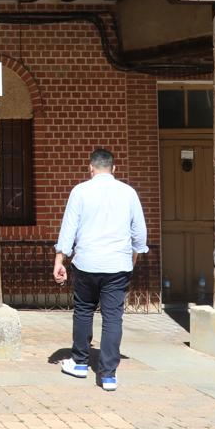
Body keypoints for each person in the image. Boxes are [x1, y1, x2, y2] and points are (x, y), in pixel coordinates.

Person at [53, 148, 148, 392]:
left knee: (83, 311)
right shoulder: (128, 193)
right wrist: (134, 256)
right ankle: (108, 375)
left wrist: (60, 259)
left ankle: (80, 362)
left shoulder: (80, 191)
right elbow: (139, 232)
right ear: (114, 169)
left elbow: (69, 227)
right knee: (113, 317)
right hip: (117, 264)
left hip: (87, 261)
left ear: (91, 168)